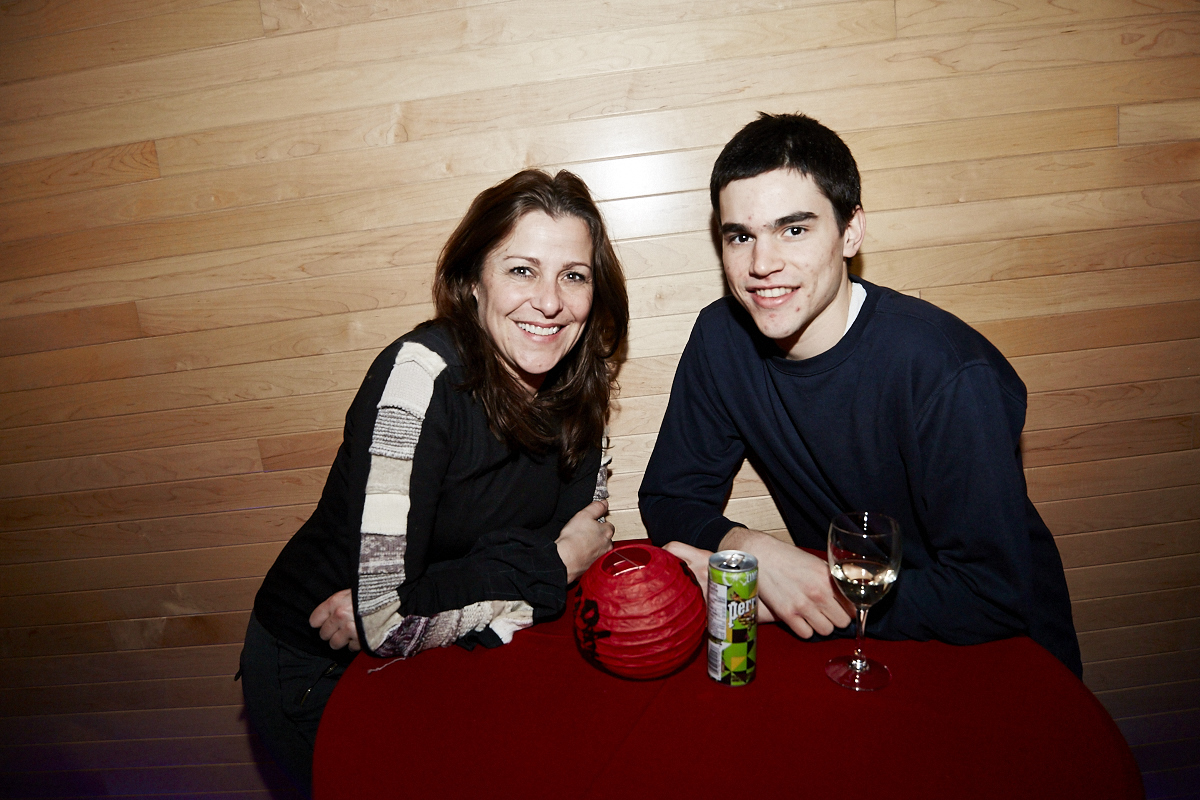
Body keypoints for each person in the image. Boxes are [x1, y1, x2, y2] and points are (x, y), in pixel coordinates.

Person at [639, 113, 1082, 676]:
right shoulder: (721, 339)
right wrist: (749, 549)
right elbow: (669, 498)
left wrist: (813, 591)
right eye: (741, 236)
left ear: (851, 232)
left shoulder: (944, 371)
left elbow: (993, 595)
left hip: (1002, 655)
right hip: (859, 647)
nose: (762, 264)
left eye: (794, 229)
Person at [241, 169, 629, 795]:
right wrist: (550, 566)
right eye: (522, 270)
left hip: (452, 649)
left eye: (574, 275)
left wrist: (428, 598)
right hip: (318, 669)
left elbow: (580, 540)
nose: (550, 301)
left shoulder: (578, 393)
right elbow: (389, 619)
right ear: (474, 281)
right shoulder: (418, 381)